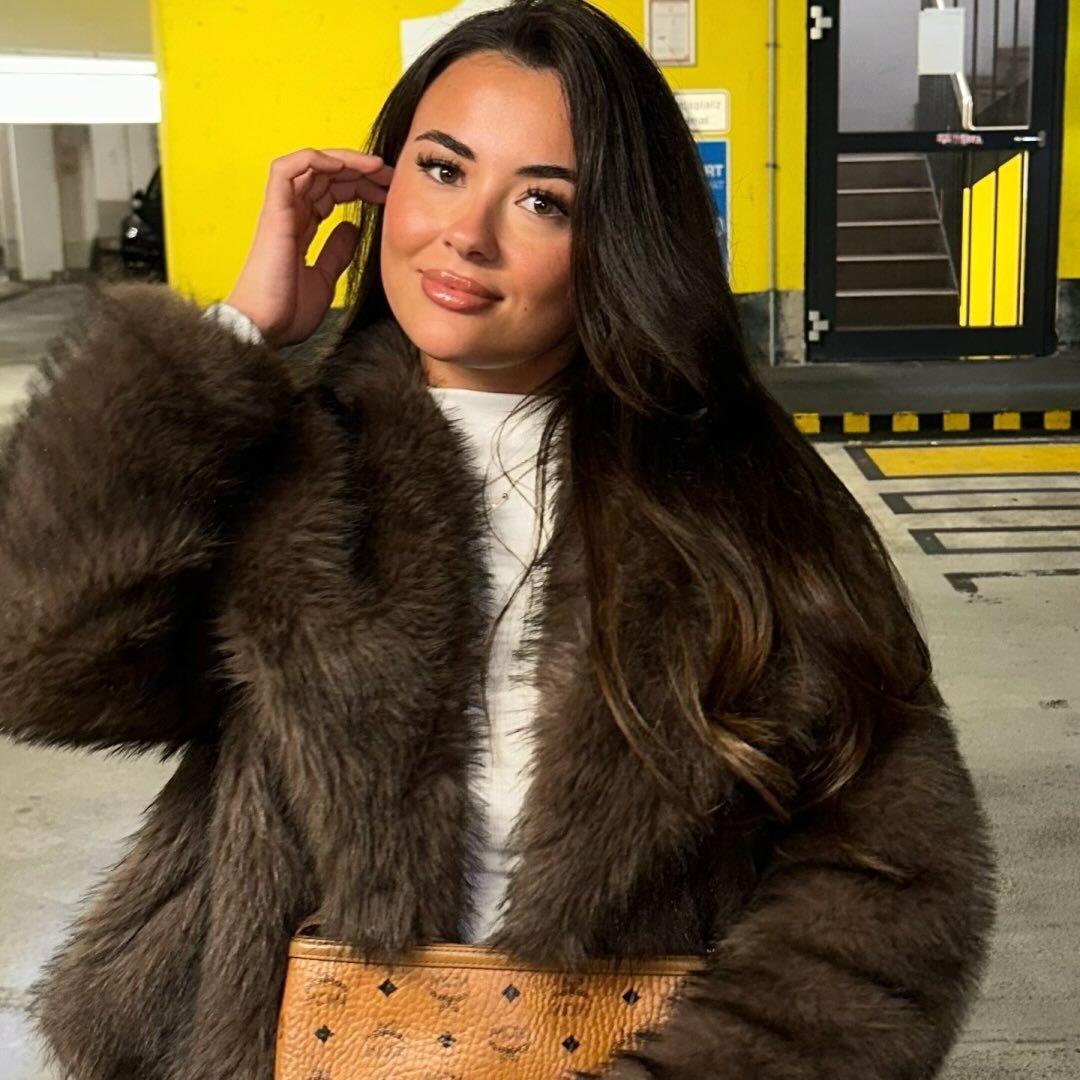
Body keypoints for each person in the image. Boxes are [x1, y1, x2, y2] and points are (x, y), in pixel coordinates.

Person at [0, 0, 995, 1077]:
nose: (467, 235)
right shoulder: (279, 465)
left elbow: (889, 867)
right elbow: (41, 658)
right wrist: (240, 333)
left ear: (620, 241)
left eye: (542, 201)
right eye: (440, 169)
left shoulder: (742, 500)